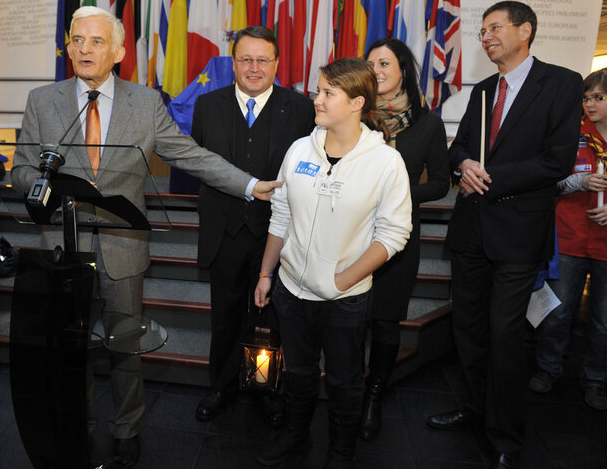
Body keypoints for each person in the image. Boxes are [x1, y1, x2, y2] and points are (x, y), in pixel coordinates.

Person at [11, 6, 280, 468]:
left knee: (124, 345)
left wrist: (251, 186)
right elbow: (19, 168)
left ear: (117, 51)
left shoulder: (145, 102)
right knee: (69, 347)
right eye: (77, 39)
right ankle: (82, 423)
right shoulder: (42, 100)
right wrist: (42, 184)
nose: (84, 49)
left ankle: (127, 428)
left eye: (96, 42)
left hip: (122, 247)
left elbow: (191, 155)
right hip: (62, 243)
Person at [426, 1, 583, 469]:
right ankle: (473, 409)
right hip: (472, 229)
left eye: (495, 28)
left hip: (518, 232)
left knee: (506, 335)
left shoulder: (561, 83)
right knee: (468, 330)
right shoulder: (482, 90)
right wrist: (463, 165)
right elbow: (457, 151)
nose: (486, 36)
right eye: (482, 30)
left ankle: (505, 434)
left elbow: (557, 161)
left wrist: (489, 174)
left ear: (525, 31)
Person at [253, 58, 412, 468]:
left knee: (344, 381)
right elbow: (282, 216)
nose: (316, 100)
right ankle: (295, 436)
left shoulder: (385, 162)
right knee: (300, 373)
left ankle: (342, 451)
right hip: (290, 290)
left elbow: (394, 234)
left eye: (327, 93)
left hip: (344, 299)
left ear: (357, 102)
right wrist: (267, 273)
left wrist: (342, 280)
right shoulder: (299, 149)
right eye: (317, 91)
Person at [191, 26, 315, 423]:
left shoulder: (301, 109)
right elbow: (200, 166)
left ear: (277, 64)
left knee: (273, 318)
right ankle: (221, 386)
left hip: (277, 237)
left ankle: (268, 390)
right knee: (224, 316)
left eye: (263, 59)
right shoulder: (206, 106)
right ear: (233, 63)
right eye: (246, 59)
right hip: (223, 234)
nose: (254, 67)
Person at [361, 39, 450, 440]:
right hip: (349, 234)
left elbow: (441, 185)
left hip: (398, 239)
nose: (377, 70)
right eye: (370, 63)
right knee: (346, 319)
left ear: (402, 71)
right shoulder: (351, 115)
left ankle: (372, 396)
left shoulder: (427, 124)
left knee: (384, 323)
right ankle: (346, 388)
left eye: (385, 63)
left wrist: (396, 193)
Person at [529, 68, 607, 410]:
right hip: (570, 239)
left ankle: (595, 380)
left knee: (603, 321)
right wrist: (578, 183)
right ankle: (548, 368)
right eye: (586, 98)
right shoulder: (570, 134)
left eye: (598, 97)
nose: (589, 104)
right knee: (558, 313)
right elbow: (550, 183)